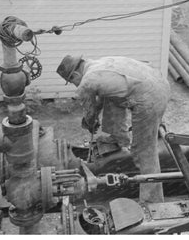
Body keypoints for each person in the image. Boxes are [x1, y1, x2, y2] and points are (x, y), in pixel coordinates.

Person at [56, 55, 170, 203]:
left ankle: (152, 201)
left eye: (72, 82)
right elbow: (100, 100)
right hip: (159, 84)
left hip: (150, 99)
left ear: (75, 75)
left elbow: (89, 111)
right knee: (111, 99)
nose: (75, 85)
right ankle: (119, 137)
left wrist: (90, 122)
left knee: (144, 151)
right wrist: (94, 114)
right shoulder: (99, 64)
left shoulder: (88, 81)